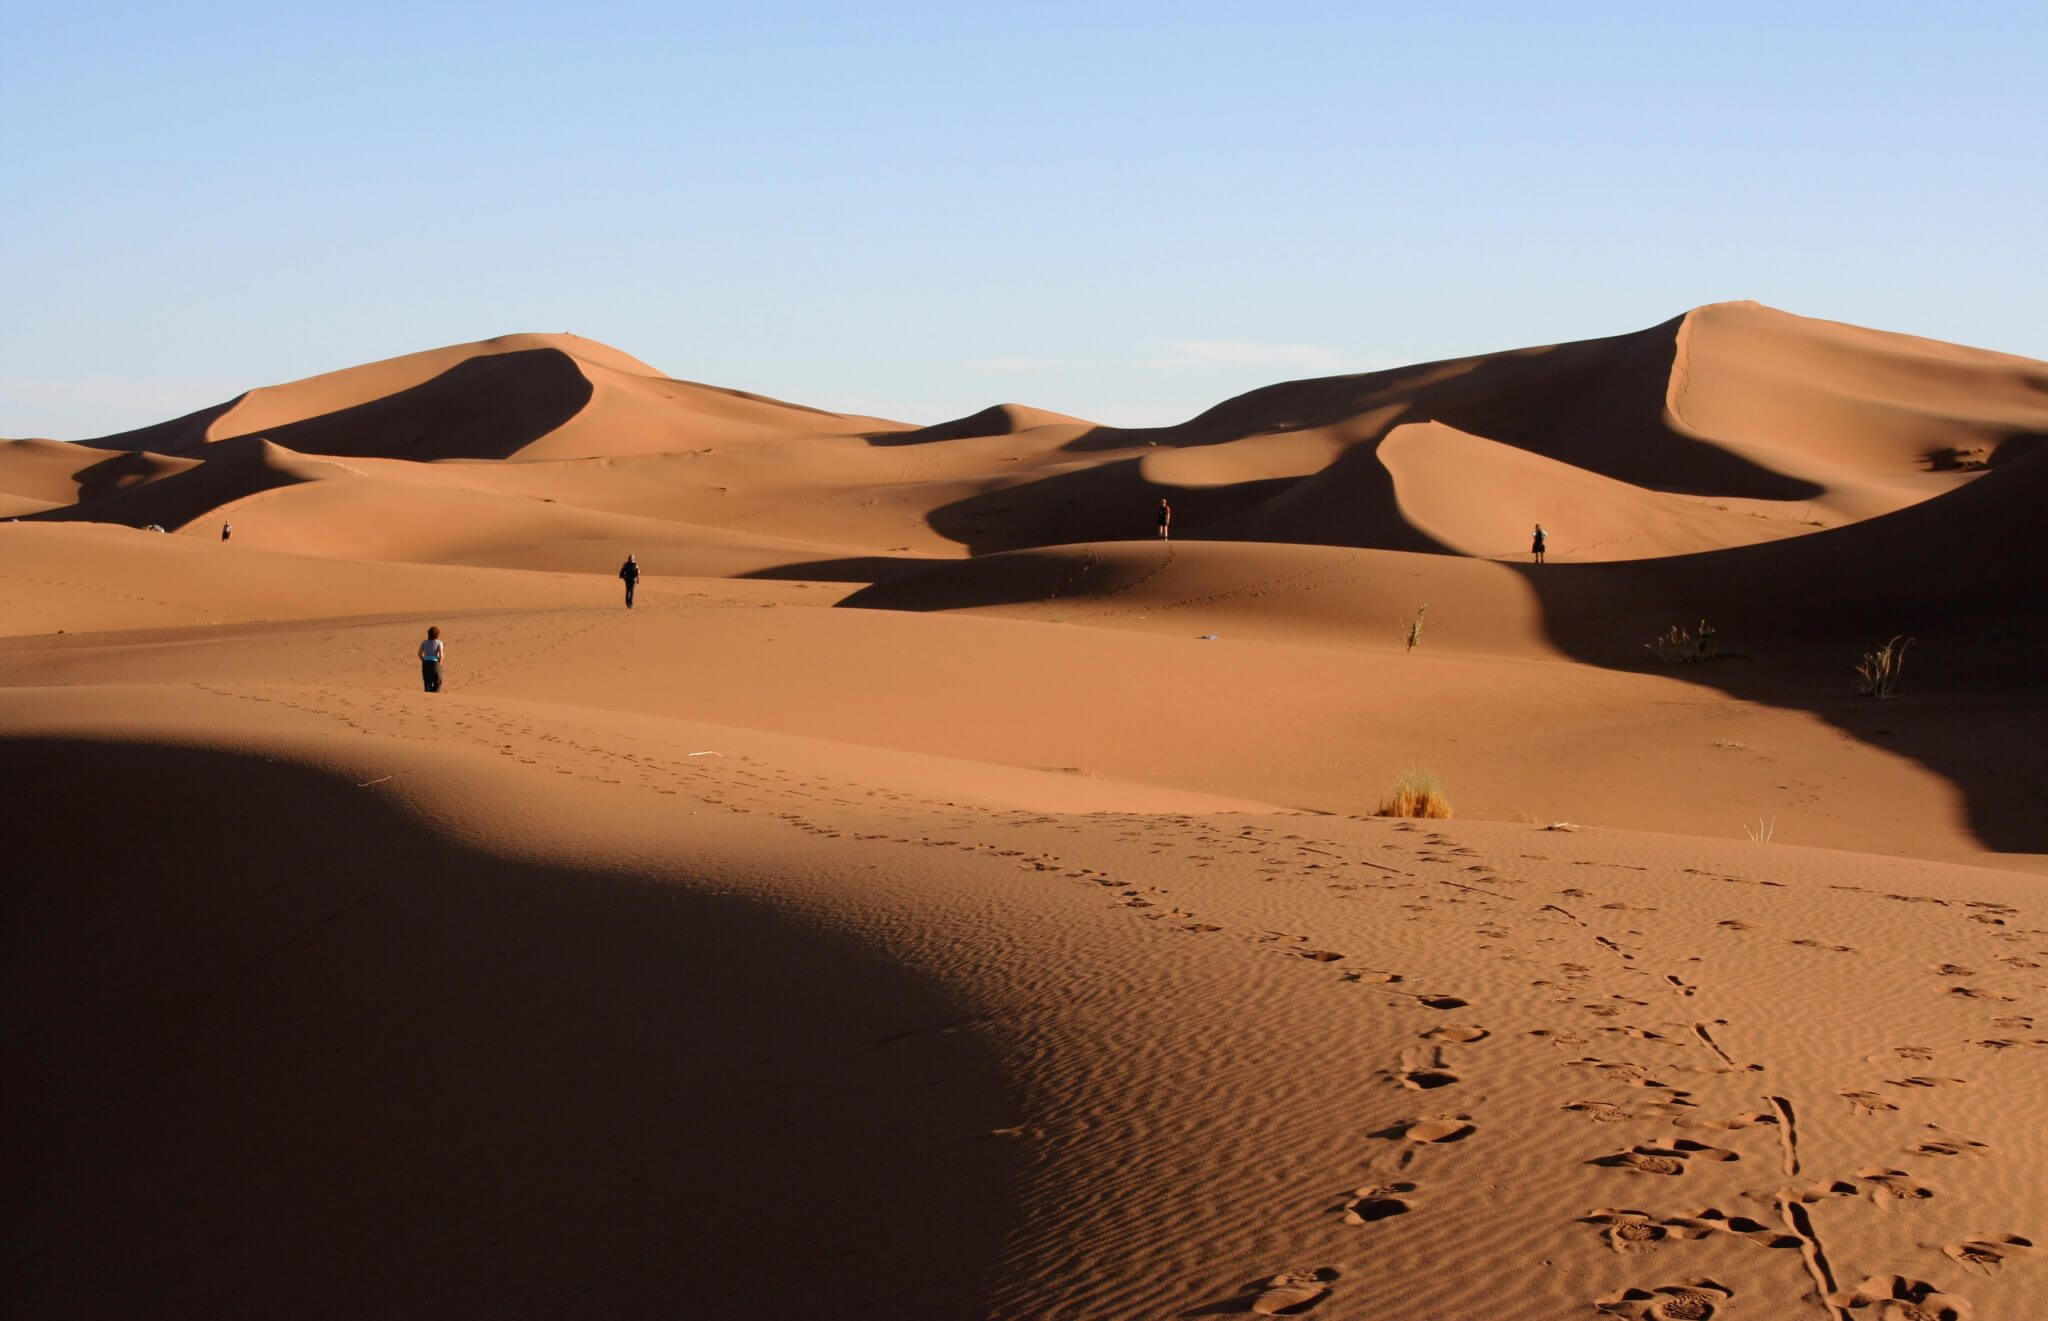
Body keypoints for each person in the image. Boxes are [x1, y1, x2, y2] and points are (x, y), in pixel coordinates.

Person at [419, 626, 444, 692]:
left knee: (427, 682)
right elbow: (441, 654)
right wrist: (440, 664)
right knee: (438, 681)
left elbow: (419, 653)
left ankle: (428, 697)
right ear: (437, 634)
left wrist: (423, 660)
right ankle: (435, 698)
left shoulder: (424, 642)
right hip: (435, 663)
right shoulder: (439, 642)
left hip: (425, 663)